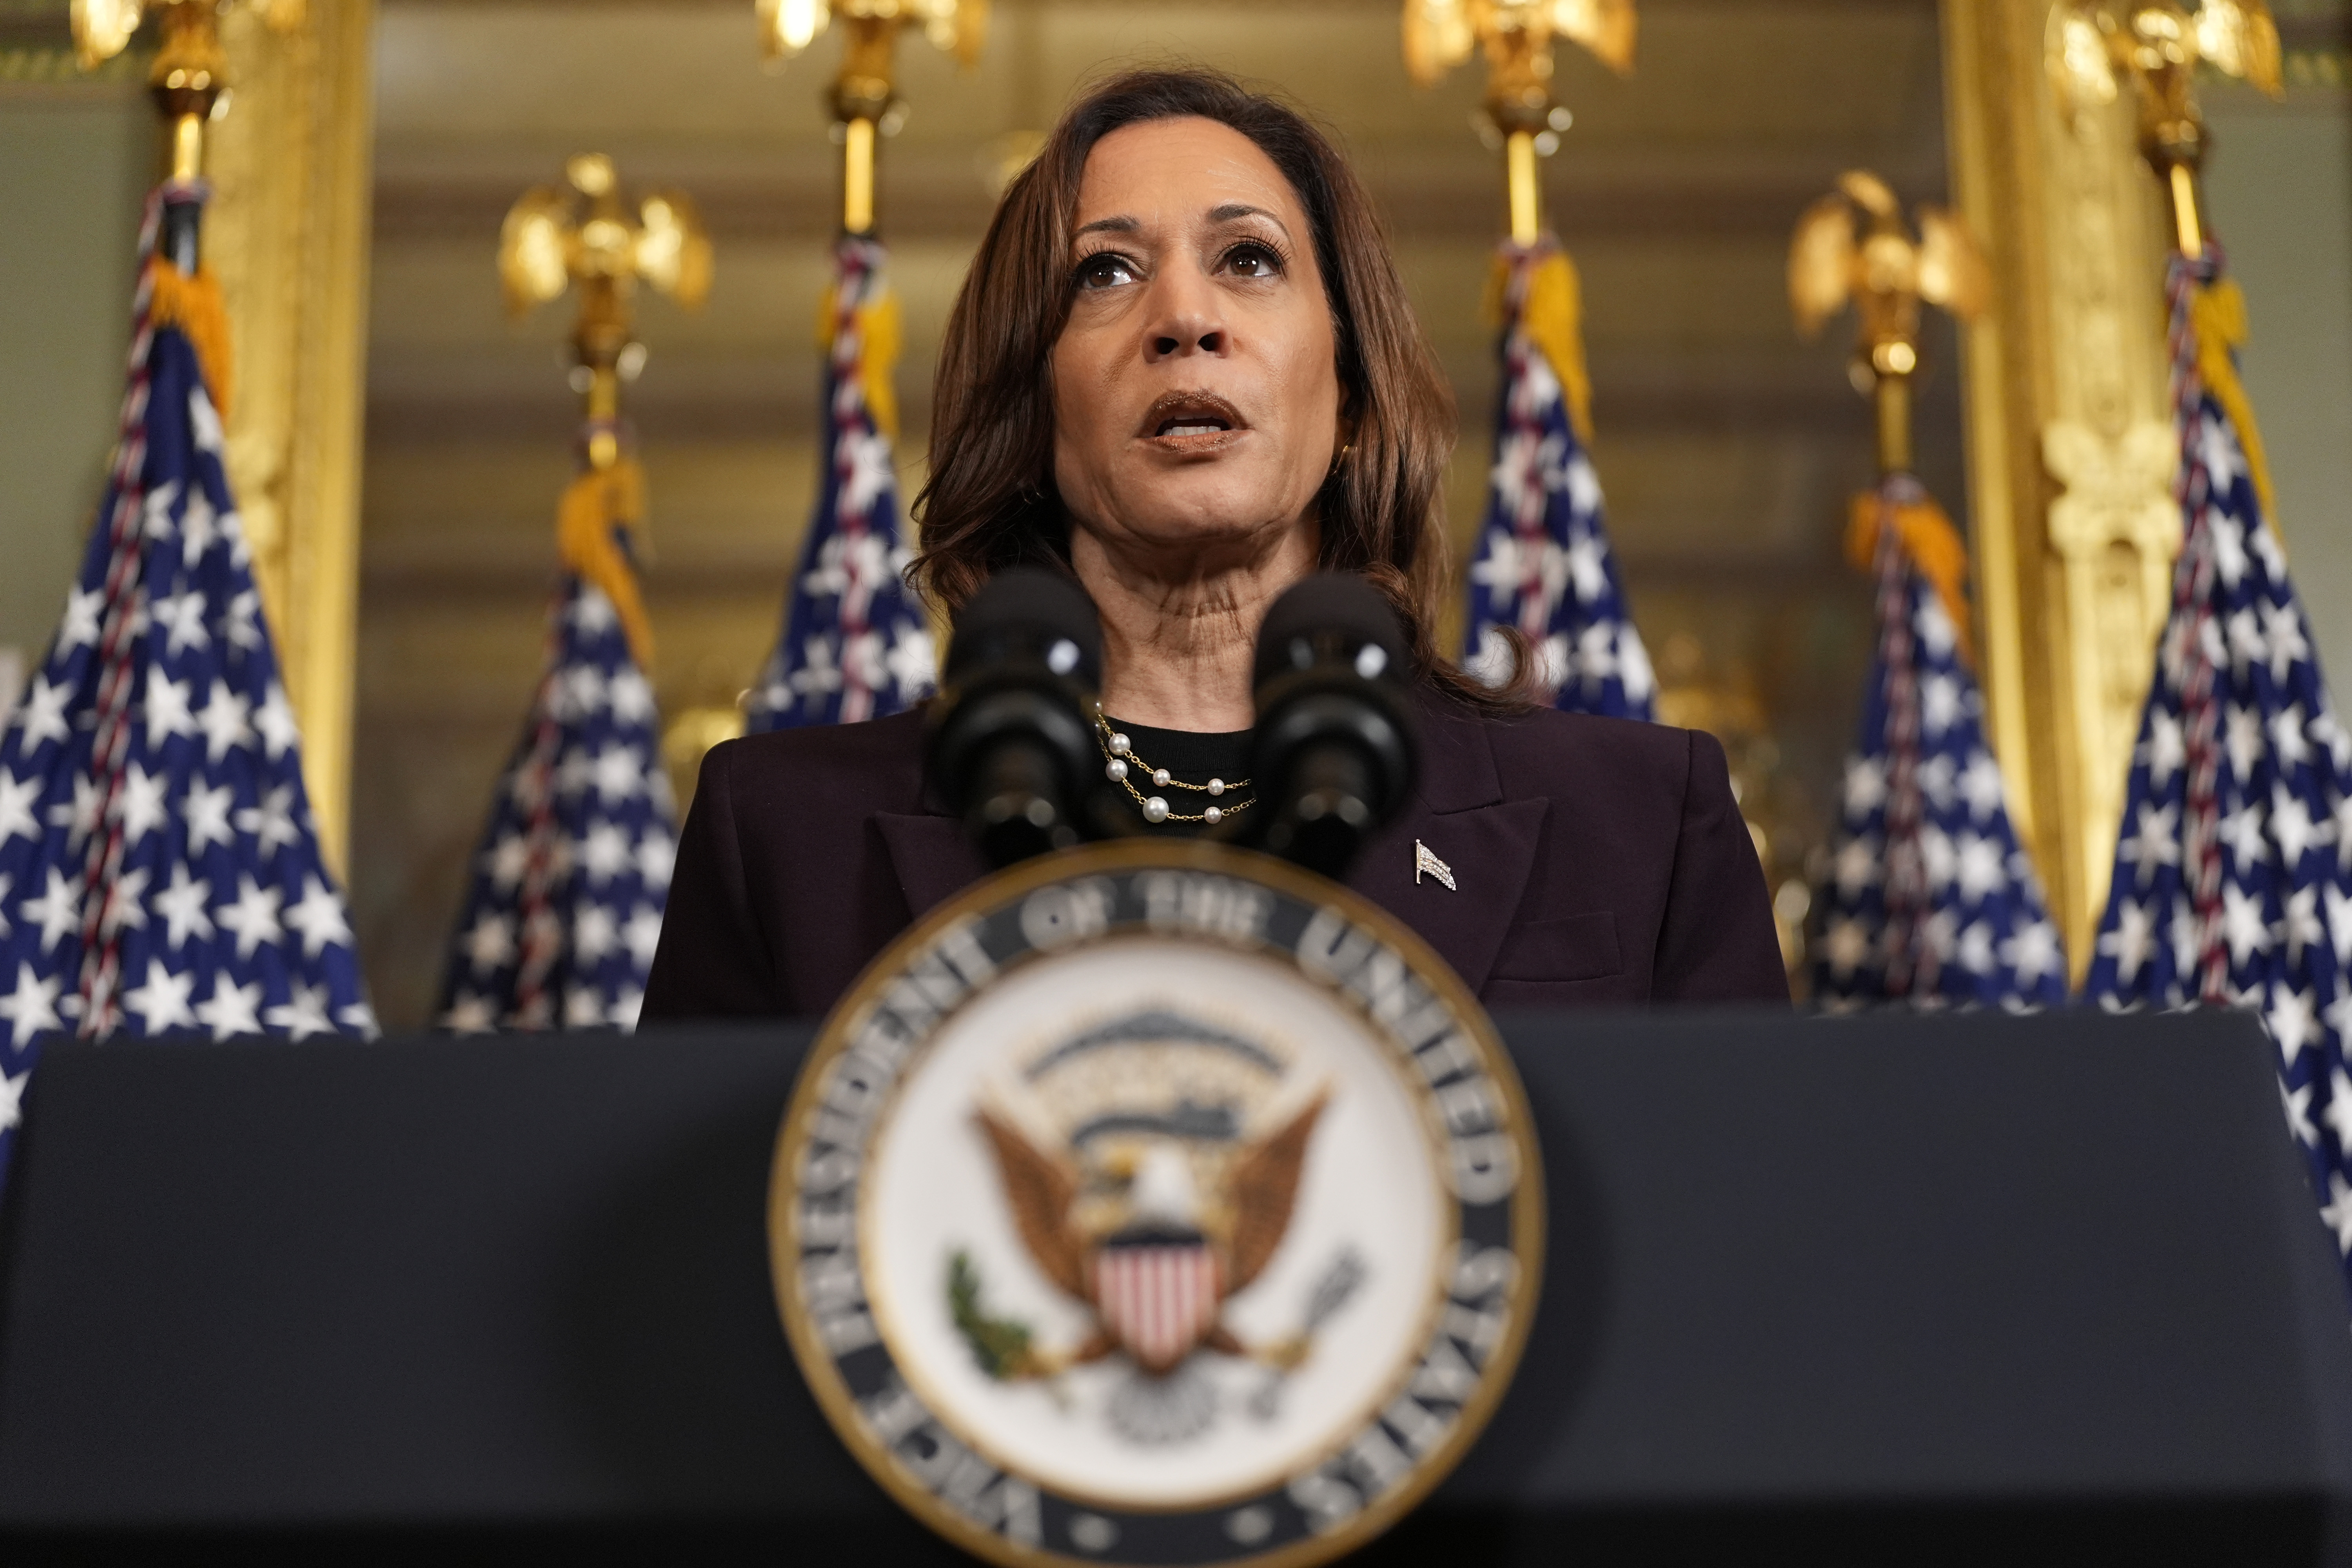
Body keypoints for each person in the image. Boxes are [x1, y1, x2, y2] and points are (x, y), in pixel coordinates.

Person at [642, 67, 1786, 1021]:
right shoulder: (785, 841)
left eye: (1249, 259)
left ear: (1350, 390)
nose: (1186, 320)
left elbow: (1746, 1251)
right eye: (1106, 273)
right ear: (1034, 408)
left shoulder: (1641, 823)